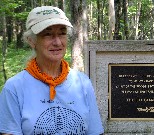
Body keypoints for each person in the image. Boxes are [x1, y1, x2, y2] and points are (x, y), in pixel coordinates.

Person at [0, 6, 104, 135]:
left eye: (62, 33)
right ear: (31, 41)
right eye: (48, 34)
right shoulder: (14, 88)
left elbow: (95, 132)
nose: (57, 42)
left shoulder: (82, 82)